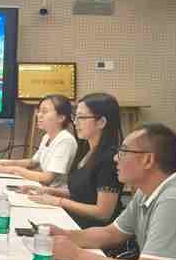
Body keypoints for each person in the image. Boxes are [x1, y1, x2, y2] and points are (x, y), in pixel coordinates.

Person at [48, 123, 176, 260]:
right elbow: (111, 233)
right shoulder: (146, 190)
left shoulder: (174, 199)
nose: (115, 158)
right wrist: (65, 235)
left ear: (147, 160)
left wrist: (76, 255)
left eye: (123, 152)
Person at [28, 92, 123, 228]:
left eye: (82, 117)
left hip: (90, 230)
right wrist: (49, 191)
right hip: (72, 219)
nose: (75, 122)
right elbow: (81, 194)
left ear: (101, 122)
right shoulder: (86, 151)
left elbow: (103, 213)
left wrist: (59, 201)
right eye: (75, 117)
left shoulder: (109, 159)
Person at [0, 94, 77, 186]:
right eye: (39, 111)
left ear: (61, 118)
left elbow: (47, 178)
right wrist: (5, 163)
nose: (39, 115)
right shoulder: (47, 137)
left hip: (54, 191)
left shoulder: (65, 141)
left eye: (44, 111)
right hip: (43, 189)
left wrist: (14, 170)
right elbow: (33, 163)